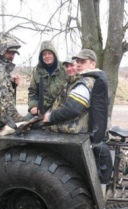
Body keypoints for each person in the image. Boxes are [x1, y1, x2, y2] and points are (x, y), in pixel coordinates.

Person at [43, 49, 112, 187]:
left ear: (93, 64)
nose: (79, 64)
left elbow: (72, 109)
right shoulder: (95, 79)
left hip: (74, 129)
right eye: (78, 61)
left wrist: (50, 117)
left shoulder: (86, 82)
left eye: (83, 62)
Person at [25, 41, 67, 120]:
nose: (47, 56)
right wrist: (33, 106)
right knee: (26, 121)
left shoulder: (64, 68)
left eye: (49, 53)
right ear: (41, 57)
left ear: (54, 54)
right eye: (44, 54)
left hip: (60, 108)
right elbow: (32, 92)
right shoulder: (36, 71)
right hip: (42, 109)